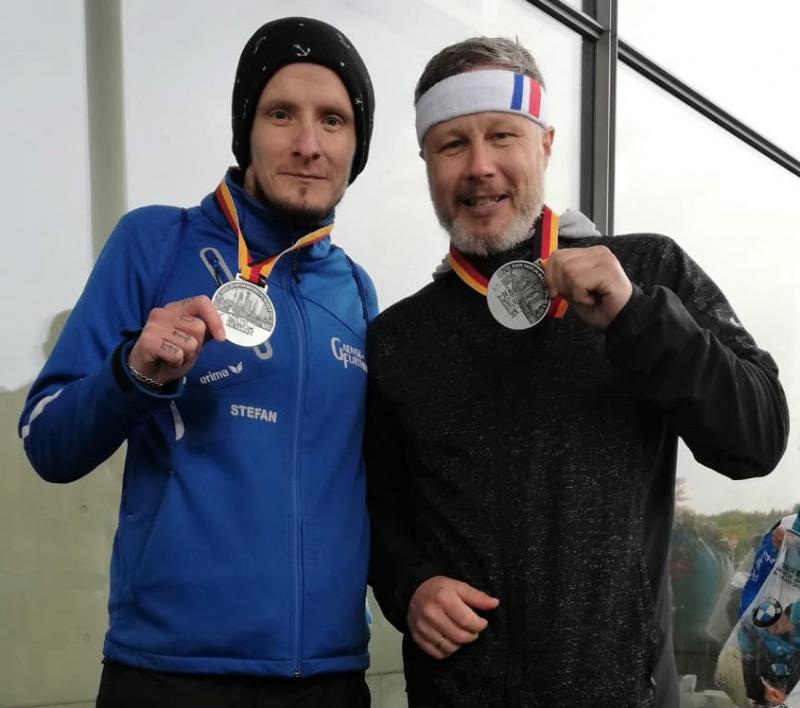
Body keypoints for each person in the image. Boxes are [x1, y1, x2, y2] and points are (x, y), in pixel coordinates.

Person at [364, 35, 789, 708]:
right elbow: (379, 510)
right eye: (452, 145)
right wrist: (410, 585)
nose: (479, 166)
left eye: (502, 135)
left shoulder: (646, 272)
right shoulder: (398, 337)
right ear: (427, 163)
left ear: (545, 144)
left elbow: (757, 438)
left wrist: (637, 317)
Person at [19, 16, 377, 708]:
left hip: (330, 677)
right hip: (172, 674)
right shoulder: (156, 240)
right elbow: (47, 442)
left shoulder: (357, 290)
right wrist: (134, 374)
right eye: (281, 114)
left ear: (355, 145)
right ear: (246, 128)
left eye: (333, 120)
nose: (308, 144)